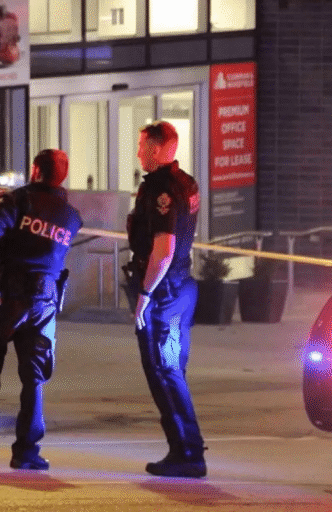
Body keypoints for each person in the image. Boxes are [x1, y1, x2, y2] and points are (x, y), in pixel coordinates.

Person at [0, 149, 83, 470]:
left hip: (6, 298)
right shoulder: (71, 217)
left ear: (34, 170)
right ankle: (27, 452)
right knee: (34, 379)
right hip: (44, 303)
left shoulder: (17, 202)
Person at [126, 121, 206, 478]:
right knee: (170, 370)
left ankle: (188, 452)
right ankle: (183, 448)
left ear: (157, 149)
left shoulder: (161, 188)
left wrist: (144, 294)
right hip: (180, 286)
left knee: (165, 370)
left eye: (142, 146)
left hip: (164, 291)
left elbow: (164, 247)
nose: (139, 152)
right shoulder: (186, 183)